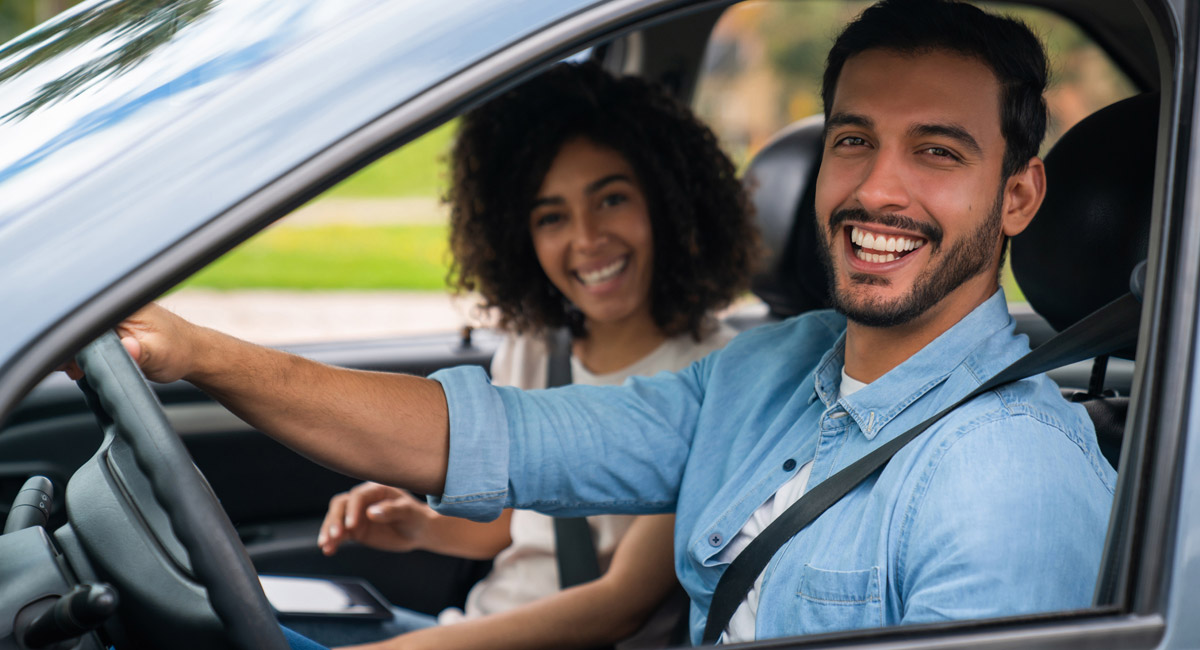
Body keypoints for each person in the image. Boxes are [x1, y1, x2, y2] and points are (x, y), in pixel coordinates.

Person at [77, 0, 1116, 645]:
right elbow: (499, 436)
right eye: (853, 140)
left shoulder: (1007, 476)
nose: (876, 188)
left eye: (938, 150)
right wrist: (196, 350)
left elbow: (619, 602)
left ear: (1019, 197)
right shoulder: (771, 369)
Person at [289, 62, 757, 649]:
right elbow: (514, 531)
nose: (586, 239)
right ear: (520, 237)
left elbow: (620, 605)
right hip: (468, 627)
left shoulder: (723, 375)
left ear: (668, 203)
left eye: (611, 199)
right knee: (227, 614)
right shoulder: (537, 350)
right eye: (552, 216)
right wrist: (421, 528)